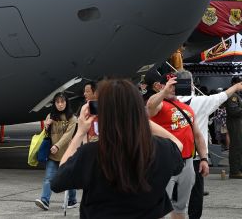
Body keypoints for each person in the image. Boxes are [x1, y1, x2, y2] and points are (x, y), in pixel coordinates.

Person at [51, 79, 184, 218]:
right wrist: (139, 118)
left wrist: (80, 133)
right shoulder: (161, 149)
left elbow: (58, 180)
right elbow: (178, 145)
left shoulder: (91, 153)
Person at [145, 71, 209, 219]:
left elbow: (197, 135)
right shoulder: (159, 105)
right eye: (171, 85)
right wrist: (164, 91)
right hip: (163, 163)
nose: (174, 88)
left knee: (181, 206)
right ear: (161, 86)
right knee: (159, 207)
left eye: (176, 85)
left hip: (187, 162)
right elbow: (150, 106)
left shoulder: (187, 108)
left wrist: (204, 158)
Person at [177, 72, 242, 217]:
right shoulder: (201, 102)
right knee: (196, 193)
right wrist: (236, 87)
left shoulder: (167, 103)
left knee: (175, 198)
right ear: (191, 84)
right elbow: (222, 96)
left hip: (172, 156)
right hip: (195, 157)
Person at [35, 92, 77, 211]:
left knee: (69, 178)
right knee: (48, 178)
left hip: (67, 154)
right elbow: (46, 134)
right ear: (54, 103)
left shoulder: (72, 118)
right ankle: (45, 201)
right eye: (57, 102)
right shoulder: (50, 116)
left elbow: (68, 135)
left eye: (62, 101)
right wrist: (47, 126)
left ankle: (72, 200)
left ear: (66, 102)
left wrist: (57, 146)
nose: (60, 104)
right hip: (52, 154)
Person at [225, 76, 242, 179]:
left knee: (240, 146)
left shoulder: (237, 95)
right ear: (235, 83)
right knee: (236, 146)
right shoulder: (232, 96)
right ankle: (235, 171)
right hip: (235, 123)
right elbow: (233, 111)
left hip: (238, 123)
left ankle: (239, 168)